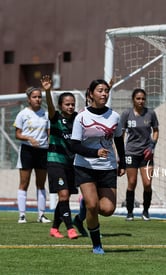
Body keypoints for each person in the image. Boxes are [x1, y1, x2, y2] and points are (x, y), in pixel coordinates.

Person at [71, 79, 126, 254]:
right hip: (85, 166)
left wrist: (122, 162)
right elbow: (74, 145)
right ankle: (97, 245)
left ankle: (84, 207)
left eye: (106, 91)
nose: (104, 94)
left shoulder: (114, 116)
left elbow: (118, 140)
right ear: (91, 93)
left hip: (107, 167)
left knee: (108, 210)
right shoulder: (81, 117)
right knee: (93, 206)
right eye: (100, 90)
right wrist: (94, 153)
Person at [42, 75, 79, 239]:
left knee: (65, 197)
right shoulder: (55, 117)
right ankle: (70, 228)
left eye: (72, 104)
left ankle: (54, 228)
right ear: (60, 105)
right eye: (67, 104)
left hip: (71, 163)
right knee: (63, 195)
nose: (70, 106)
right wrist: (48, 92)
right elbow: (50, 108)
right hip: (55, 162)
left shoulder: (78, 119)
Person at [14, 86, 51, 224]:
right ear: (29, 99)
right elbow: (17, 134)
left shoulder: (45, 114)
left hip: (42, 151)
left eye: (39, 97)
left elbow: (49, 133)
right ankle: (22, 215)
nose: (38, 99)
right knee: (24, 183)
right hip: (27, 151)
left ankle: (41, 215)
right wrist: (29, 139)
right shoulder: (22, 114)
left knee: (41, 184)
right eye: (35, 97)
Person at [121, 88, 159, 221]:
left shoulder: (151, 114)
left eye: (143, 98)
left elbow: (155, 131)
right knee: (132, 182)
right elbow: (122, 133)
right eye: (138, 98)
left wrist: (152, 146)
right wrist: (121, 153)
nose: (141, 101)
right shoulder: (126, 114)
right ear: (133, 100)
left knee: (147, 183)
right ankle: (130, 213)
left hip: (146, 154)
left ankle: (146, 211)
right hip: (131, 152)